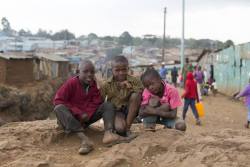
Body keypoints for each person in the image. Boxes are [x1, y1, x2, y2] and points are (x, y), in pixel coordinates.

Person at [53, 60, 128, 155]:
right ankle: (85, 140)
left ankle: (109, 134)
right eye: (85, 71)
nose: (89, 75)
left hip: (87, 117)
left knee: (107, 105)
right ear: (77, 72)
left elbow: (97, 102)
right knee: (58, 108)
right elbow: (58, 100)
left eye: (92, 72)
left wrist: (87, 114)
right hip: (72, 119)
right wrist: (79, 113)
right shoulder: (71, 83)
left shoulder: (93, 86)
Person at [100, 56, 143, 137]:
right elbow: (101, 102)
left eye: (124, 70)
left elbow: (141, 93)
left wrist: (130, 87)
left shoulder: (135, 81)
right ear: (112, 70)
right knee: (120, 129)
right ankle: (121, 127)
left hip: (130, 110)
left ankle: (128, 129)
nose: (121, 73)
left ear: (128, 69)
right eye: (117, 70)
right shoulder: (106, 84)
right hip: (116, 111)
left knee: (136, 95)